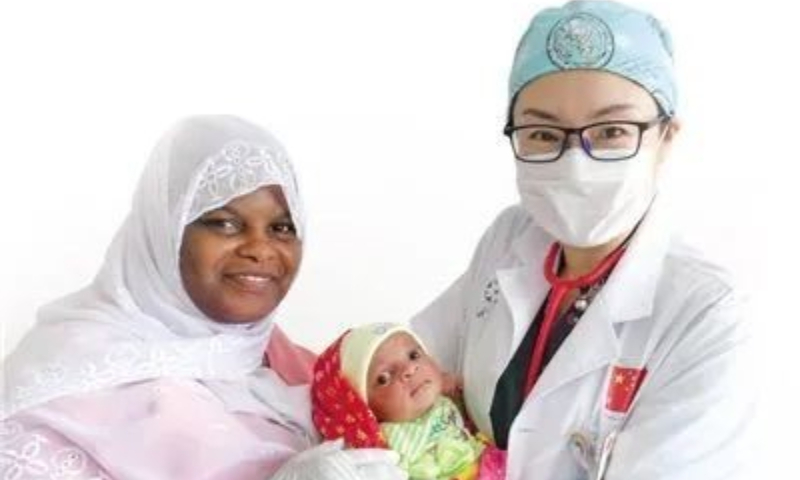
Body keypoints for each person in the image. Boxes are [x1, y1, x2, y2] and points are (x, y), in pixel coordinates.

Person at [410, 1, 755, 479]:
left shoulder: (706, 311)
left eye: (612, 130)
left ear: (667, 137)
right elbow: (405, 364)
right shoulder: (511, 238)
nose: (575, 161)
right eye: (543, 133)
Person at [0, 115, 405, 480]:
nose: (260, 249)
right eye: (225, 223)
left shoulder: (298, 366)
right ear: (164, 233)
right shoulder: (64, 384)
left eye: (282, 228)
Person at [311, 322, 505, 480]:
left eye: (414, 355)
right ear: (364, 408)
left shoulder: (445, 398)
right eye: (384, 378)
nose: (409, 370)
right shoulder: (387, 443)